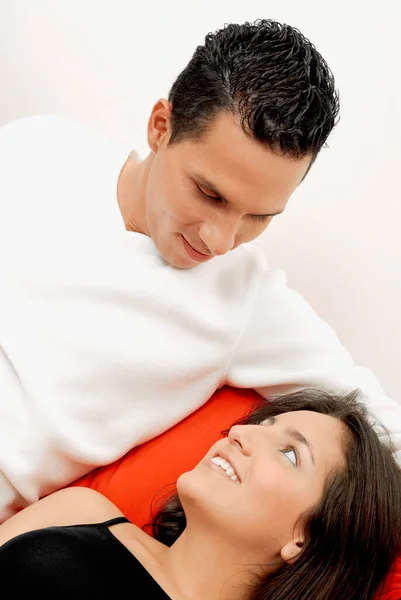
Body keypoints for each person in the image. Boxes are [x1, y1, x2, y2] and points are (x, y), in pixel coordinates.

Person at [0, 18, 400, 522]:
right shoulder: (40, 147)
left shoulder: (245, 301)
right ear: (160, 127)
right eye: (210, 193)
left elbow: (381, 426)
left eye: (258, 216)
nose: (221, 239)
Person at [0, 389, 400, 600]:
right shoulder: (82, 511)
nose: (242, 433)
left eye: (290, 453)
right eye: (263, 424)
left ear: (305, 537)